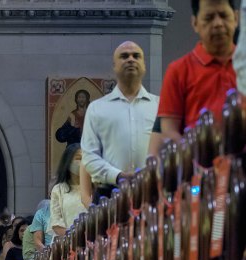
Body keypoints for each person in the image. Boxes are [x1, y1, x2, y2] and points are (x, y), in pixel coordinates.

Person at [149, 0, 238, 156]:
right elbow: (169, 132)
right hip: (198, 172)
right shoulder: (178, 71)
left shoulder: (243, 65)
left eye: (224, 15)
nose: (218, 23)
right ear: (195, 23)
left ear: (236, 18)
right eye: (209, 17)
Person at [81, 41, 159, 203]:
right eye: (124, 56)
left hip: (152, 191)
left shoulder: (159, 106)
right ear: (114, 66)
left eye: (136, 56)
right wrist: (118, 176)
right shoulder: (97, 108)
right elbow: (89, 155)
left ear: (144, 65)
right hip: (109, 194)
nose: (130, 59)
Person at [49, 143, 88, 237]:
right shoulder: (58, 189)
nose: (82, 162)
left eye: (85, 158)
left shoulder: (93, 187)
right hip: (67, 242)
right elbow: (56, 223)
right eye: (78, 158)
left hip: (91, 241)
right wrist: (75, 238)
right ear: (68, 162)